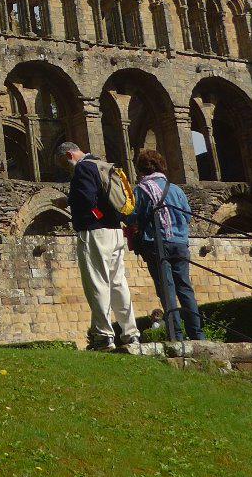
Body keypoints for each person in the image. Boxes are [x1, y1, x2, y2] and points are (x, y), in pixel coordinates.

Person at [59, 141, 139, 352]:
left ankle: (104, 336)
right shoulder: (102, 164)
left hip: (95, 232)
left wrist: (89, 213)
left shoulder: (83, 167)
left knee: (97, 283)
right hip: (115, 231)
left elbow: (87, 199)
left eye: (65, 163)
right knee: (118, 283)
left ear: (70, 154)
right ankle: (131, 334)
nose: (67, 168)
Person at [130, 147, 202, 341]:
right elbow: (187, 215)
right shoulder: (175, 188)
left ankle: (176, 334)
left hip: (156, 244)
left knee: (167, 290)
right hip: (179, 243)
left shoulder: (141, 190)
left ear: (141, 169)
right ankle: (197, 334)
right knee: (185, 288)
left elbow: (134, 217)